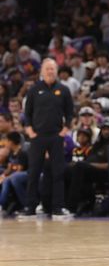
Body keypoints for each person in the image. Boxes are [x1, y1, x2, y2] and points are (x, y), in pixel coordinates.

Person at [18, 58, 74, 220]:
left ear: (56, 71)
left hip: (56, 137)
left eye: (53, 69)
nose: (50, 71)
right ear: (42, 71)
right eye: (47, 69)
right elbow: (27, 113)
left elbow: (70, 112)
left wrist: (64, 130)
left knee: (58, 173)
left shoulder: (63, 90)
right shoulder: (34, 90)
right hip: (37, 137)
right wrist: (29, 131)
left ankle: (57, 208)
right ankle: (30, 207)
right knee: (34, 172)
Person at [0, 132, 28, 215]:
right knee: (4, 179)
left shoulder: (22, 153)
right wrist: (3, 175)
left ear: (11, 142)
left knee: (7, 181)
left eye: (7, 141)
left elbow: (19, 170)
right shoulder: (11, 154)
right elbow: (9, 169)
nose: (6, 143)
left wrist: (6, 178)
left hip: (22, 175)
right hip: (12, 175)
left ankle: (1, 203)